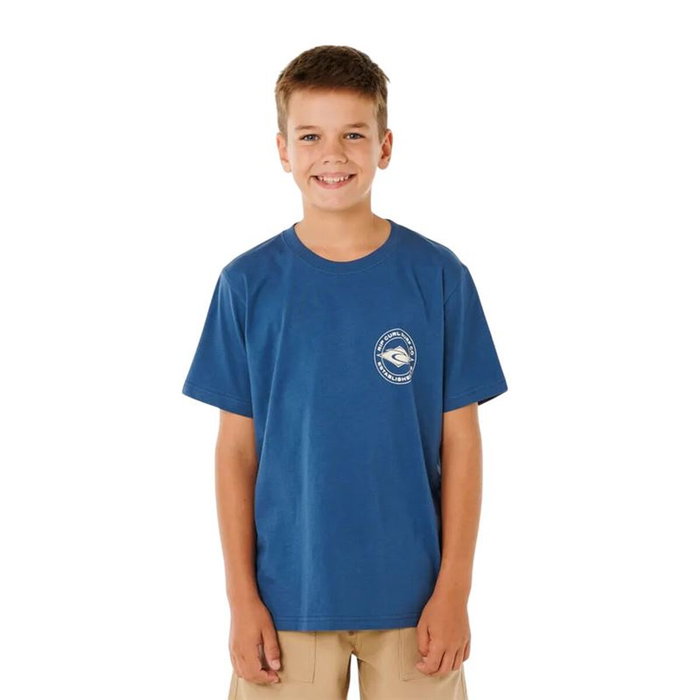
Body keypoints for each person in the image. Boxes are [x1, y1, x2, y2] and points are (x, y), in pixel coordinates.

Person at [182, 44, 508, 700]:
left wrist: (455, 589)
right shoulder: (246, 285)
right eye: (311, 136)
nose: (332, 154)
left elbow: (463, 444)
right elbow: (236, 453)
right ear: (283, 150)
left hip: (416, 602)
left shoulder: (438, 277)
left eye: (353, 135)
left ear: (385, 146)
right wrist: (242, 600)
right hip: (288, 602)